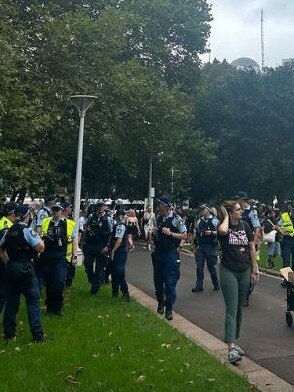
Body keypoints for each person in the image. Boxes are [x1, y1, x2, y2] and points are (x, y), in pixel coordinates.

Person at [218, 201, 259, 364]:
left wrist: (255, 269)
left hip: (245, 270)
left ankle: (235, 341)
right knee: (231, 309)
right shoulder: (223, 226)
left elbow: (251, 248)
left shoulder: (245, 226)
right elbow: (222, 231)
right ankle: (230, 348)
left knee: (240, 308)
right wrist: (226, 217)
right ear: (230, 213)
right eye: (237, 210)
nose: (241, 211)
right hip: (228, 270)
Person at [0, 205, 45, 342]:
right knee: (33, 301)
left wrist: (8, 262)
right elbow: (40, 247)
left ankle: (9, 334)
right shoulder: (27, 230)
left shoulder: (8, 231)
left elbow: (1, 249)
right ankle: (37, 335)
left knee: (11, 302)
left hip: (11, 268)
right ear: (27, 215)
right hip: (25, 269)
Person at [152, 196, 187, 321]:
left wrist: (170, 233)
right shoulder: (159, 217)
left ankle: (169, 309)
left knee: (170, 282)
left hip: (170, 253)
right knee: (158, 280)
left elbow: (184, 235)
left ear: (166, 205)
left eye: (161, 204)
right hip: (159, 252)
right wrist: (155, 232)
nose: (159, 206)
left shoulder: (177, 219)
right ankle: (160, 302)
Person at [40, 203, 77, 315]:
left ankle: (58, 307)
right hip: (47, 256)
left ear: (62, 211)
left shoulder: (69, 224)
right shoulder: (46, 221)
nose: (55, 212)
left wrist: (74, 256)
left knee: (59, 282)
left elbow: (74, 241)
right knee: (49, 283)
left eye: (58, 210)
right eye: (54, 210)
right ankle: (50, 308)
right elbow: (40, 236)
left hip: (62, 257)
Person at [234, 191, 261, 306]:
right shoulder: (236, 211)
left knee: (249, 268)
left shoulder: (251, 212)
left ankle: (246, 294)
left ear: (242, 200)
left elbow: (257, 228)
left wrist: (253, 243)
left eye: (237, 199)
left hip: (248, 243)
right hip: (237, 243)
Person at [83, 200, 113, 295]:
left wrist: (108, 246)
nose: (100, 208)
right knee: (87, 266)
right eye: (99, 206)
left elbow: (112, 234)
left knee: (99, 269)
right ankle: (93, 281)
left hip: (102, 246)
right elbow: (85, 226)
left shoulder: (108, 219)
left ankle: (94, 290)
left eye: (102, 206)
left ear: (105, 207)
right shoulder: (92, 216)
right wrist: (87, 230)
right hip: (90, 245)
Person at [192, 204, 219, 292]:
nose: (202, 211)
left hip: (210, 246)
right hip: (201, 245)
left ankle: (216, 283)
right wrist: (194, 244)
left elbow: (220, 232)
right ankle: (199, 286)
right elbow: (195, 232)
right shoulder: (199, 221)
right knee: (199, 266)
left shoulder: (215, 221)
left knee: (211, 267)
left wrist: (211, 232)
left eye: (204, 209)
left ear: (208, 210)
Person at [0, 202, 17, 315]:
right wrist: (8, 264)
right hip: (2, 263)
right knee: (2, 293)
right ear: (12, 213)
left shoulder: (2, 222)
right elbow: (2, 248)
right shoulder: (6, 226)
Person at [109, 209, 130, 301]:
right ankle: (115, 292)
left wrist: (113, 251)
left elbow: (119, 240)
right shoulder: (117, 225)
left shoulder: (120, 226)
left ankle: (125, 292)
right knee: (114, 272)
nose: (121, 217)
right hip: (118, 250)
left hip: (119, 251)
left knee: (118, 272)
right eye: (120, 215)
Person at [278, 202, 294, 287]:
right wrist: (282, 233)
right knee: (286, 261)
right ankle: (288, 281)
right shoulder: (285, 216)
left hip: (289, 240)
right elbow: (277, 226)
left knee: (288, 261)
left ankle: (291, 280)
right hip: (287, 241)